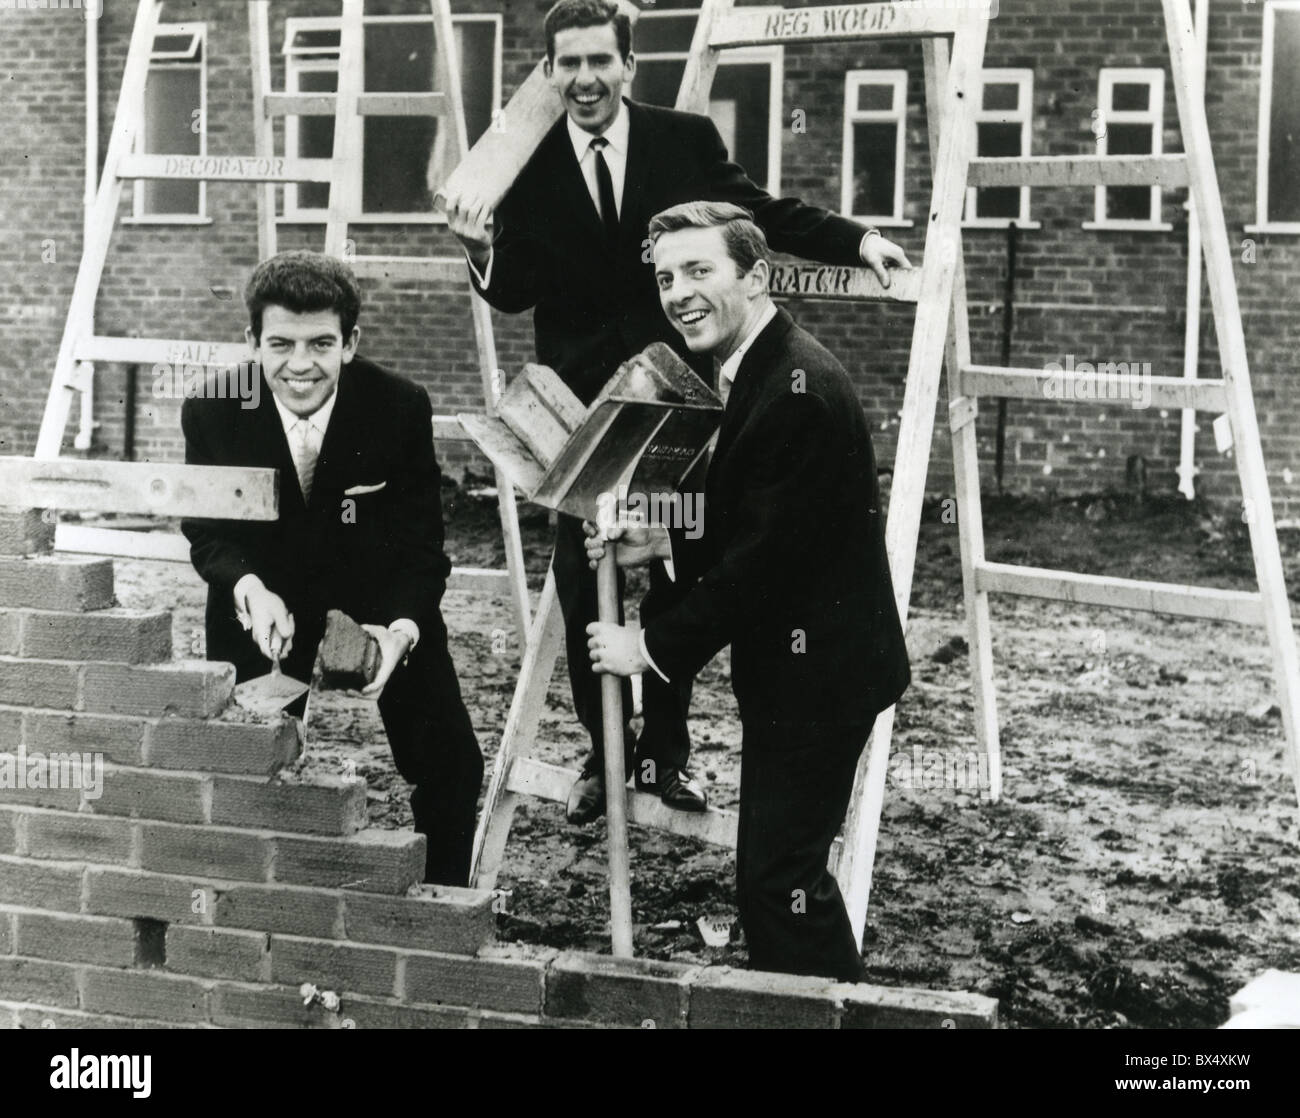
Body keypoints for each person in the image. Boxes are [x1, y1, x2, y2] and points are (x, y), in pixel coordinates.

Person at [443, 0, 911, 825]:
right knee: (587, 575)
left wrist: (857, 239)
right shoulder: (526, 159)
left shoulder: (682, 140)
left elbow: (757, 215)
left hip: (675, 400)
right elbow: (515, 287)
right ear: (549, 73)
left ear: (629, 66)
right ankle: (605, 752)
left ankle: (665, 754)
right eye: (568, 64)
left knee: (672, 561)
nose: (584, 80)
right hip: (580, 415)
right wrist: (479, 250)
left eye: (600, 61)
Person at [583, 202, 910, 980]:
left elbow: (761, 568)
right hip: (801, 672)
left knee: (779, 883)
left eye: (700, 271)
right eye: (666, 277)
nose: (678, 293)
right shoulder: (758, 367)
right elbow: (759, 516)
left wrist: (649, 647)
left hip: (821, 676)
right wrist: (664, 539)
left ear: (757, 275)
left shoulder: (794, 388)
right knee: (775, 878)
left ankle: (838, 1012)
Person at [181, 250, 483, 887]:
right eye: (280, 344)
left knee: (452, 760)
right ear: (251, 341)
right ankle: (264, 894)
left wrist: (399, 631)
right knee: (244, 757)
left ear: (351, 342)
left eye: (321, 343)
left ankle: (443, 901)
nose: (299, 365)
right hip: (264, 594)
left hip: (373, 591)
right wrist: (247, 588)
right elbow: (205, 533)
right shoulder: (211, 409)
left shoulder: (399, 406)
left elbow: (423, 547)